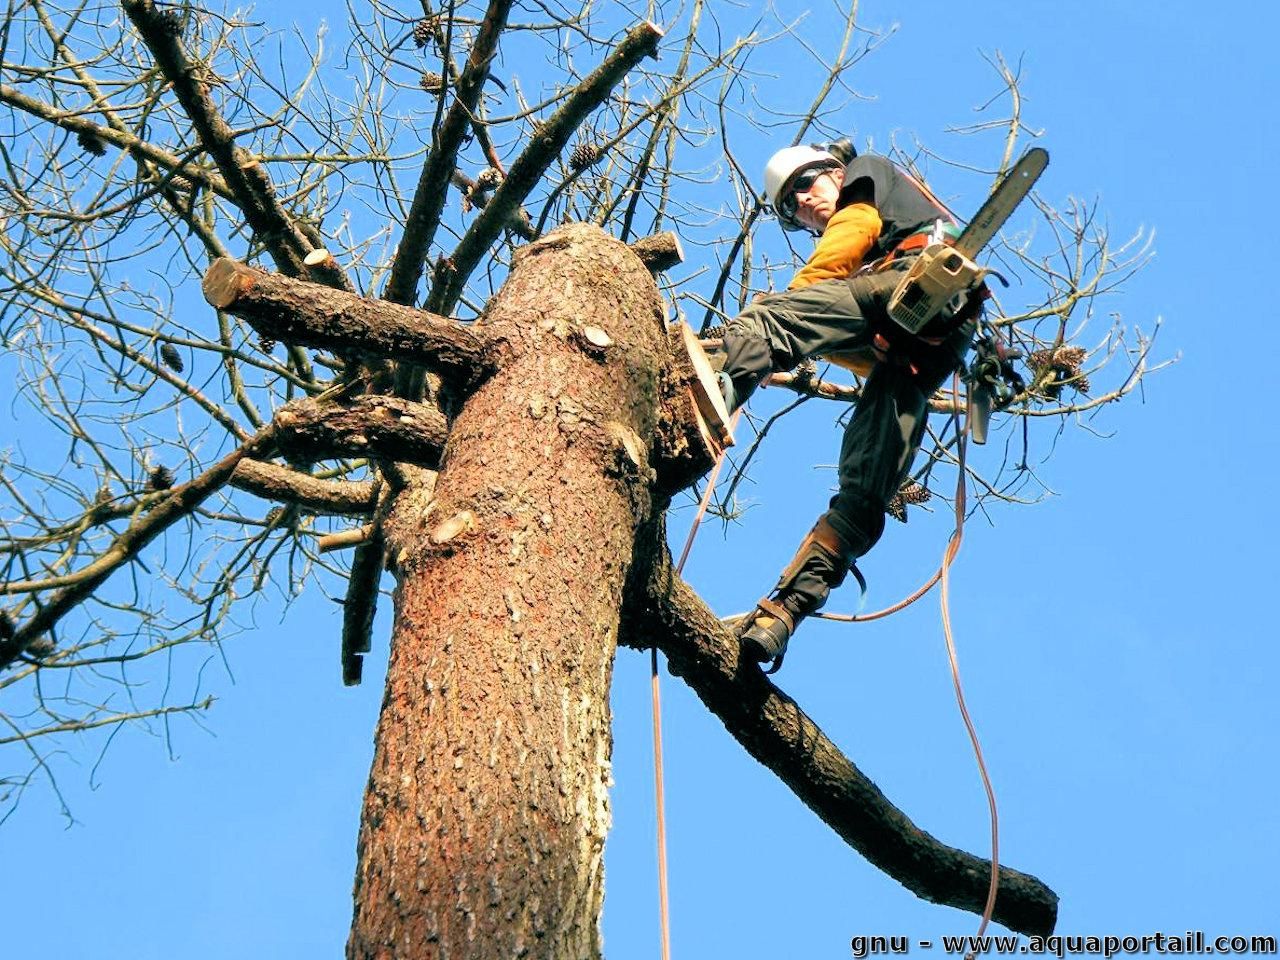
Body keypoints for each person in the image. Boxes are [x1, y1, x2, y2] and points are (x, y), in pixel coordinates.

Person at [717, 141, 982, 671]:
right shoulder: (869, 253)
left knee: (767, 319)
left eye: (805, 186)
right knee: (865, 491)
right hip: (925, 350)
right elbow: (845, 333)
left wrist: (798, 301)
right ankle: (784, 613)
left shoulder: (866, 176)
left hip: (911, 282)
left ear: (834, 172)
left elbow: (851, 231)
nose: (803, 205)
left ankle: (698, 404)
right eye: (790, 209)